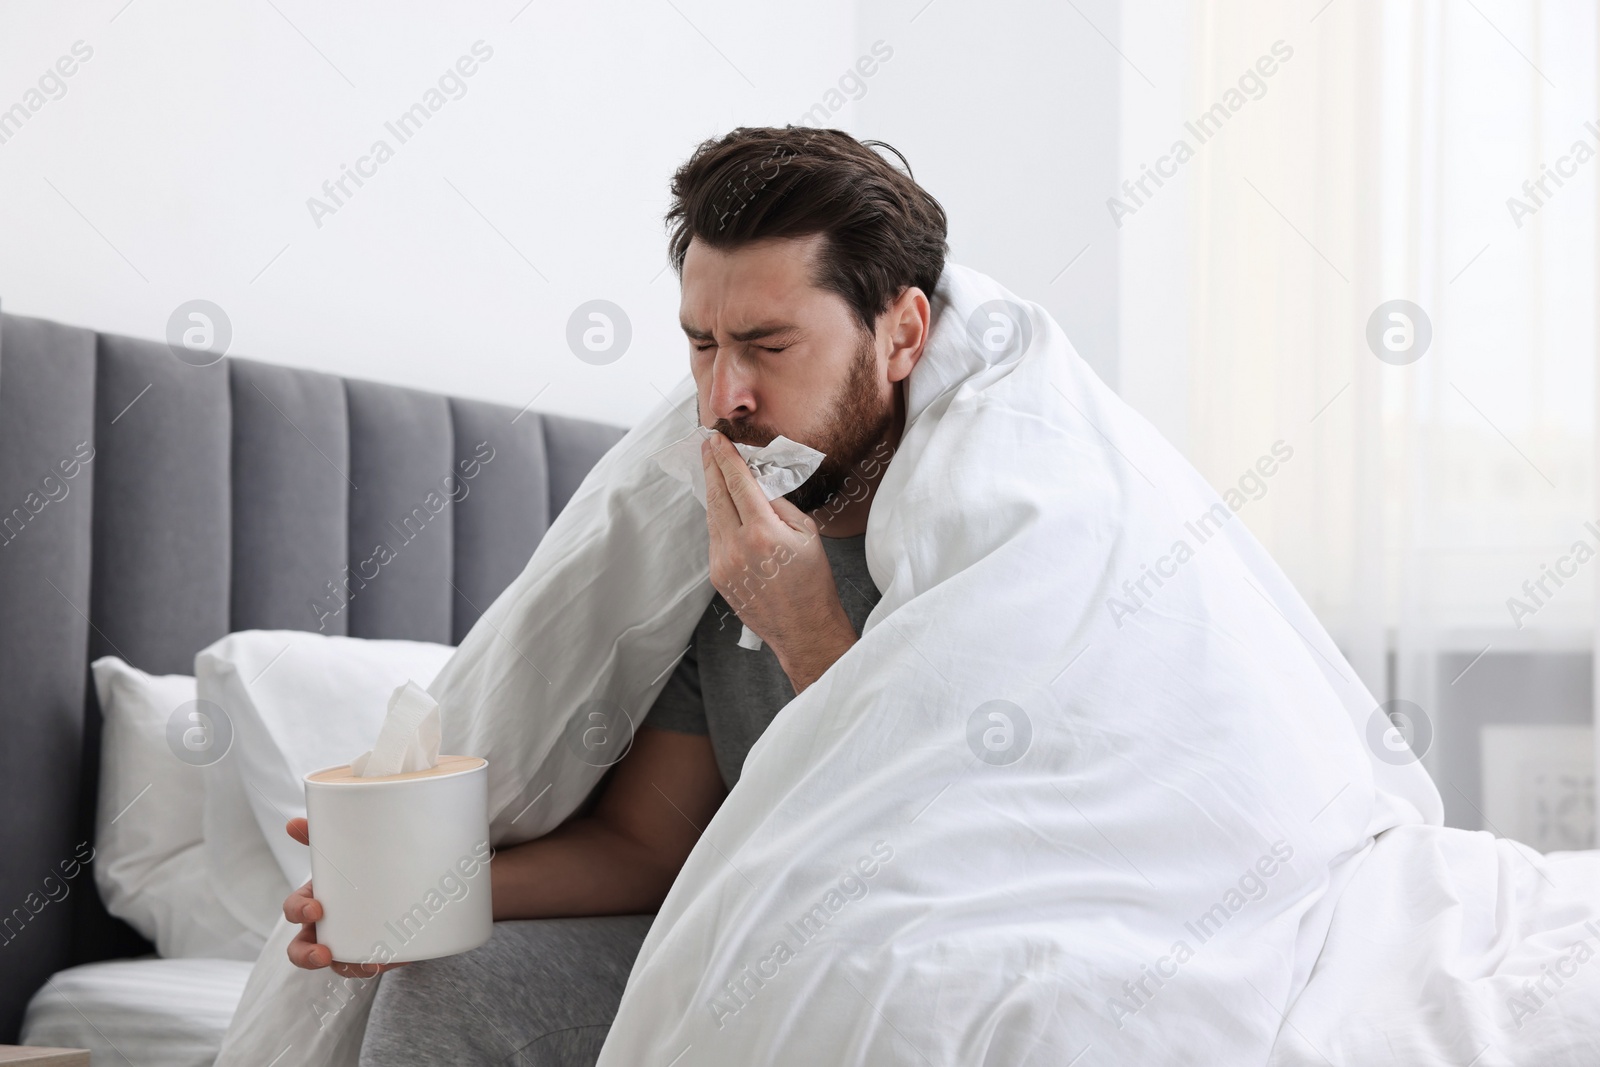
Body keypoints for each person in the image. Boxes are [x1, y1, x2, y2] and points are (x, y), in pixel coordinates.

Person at [279, 125, 949, 1066]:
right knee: (452, 981)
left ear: (903, 333)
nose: (726, 396)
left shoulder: (984, 547)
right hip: (736, 939)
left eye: (768, 344)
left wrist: (808, 630)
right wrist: (405, 896)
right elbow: (649, 844)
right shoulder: (720, 540)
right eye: (702, 344)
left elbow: (952, 849)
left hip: (912, 949)